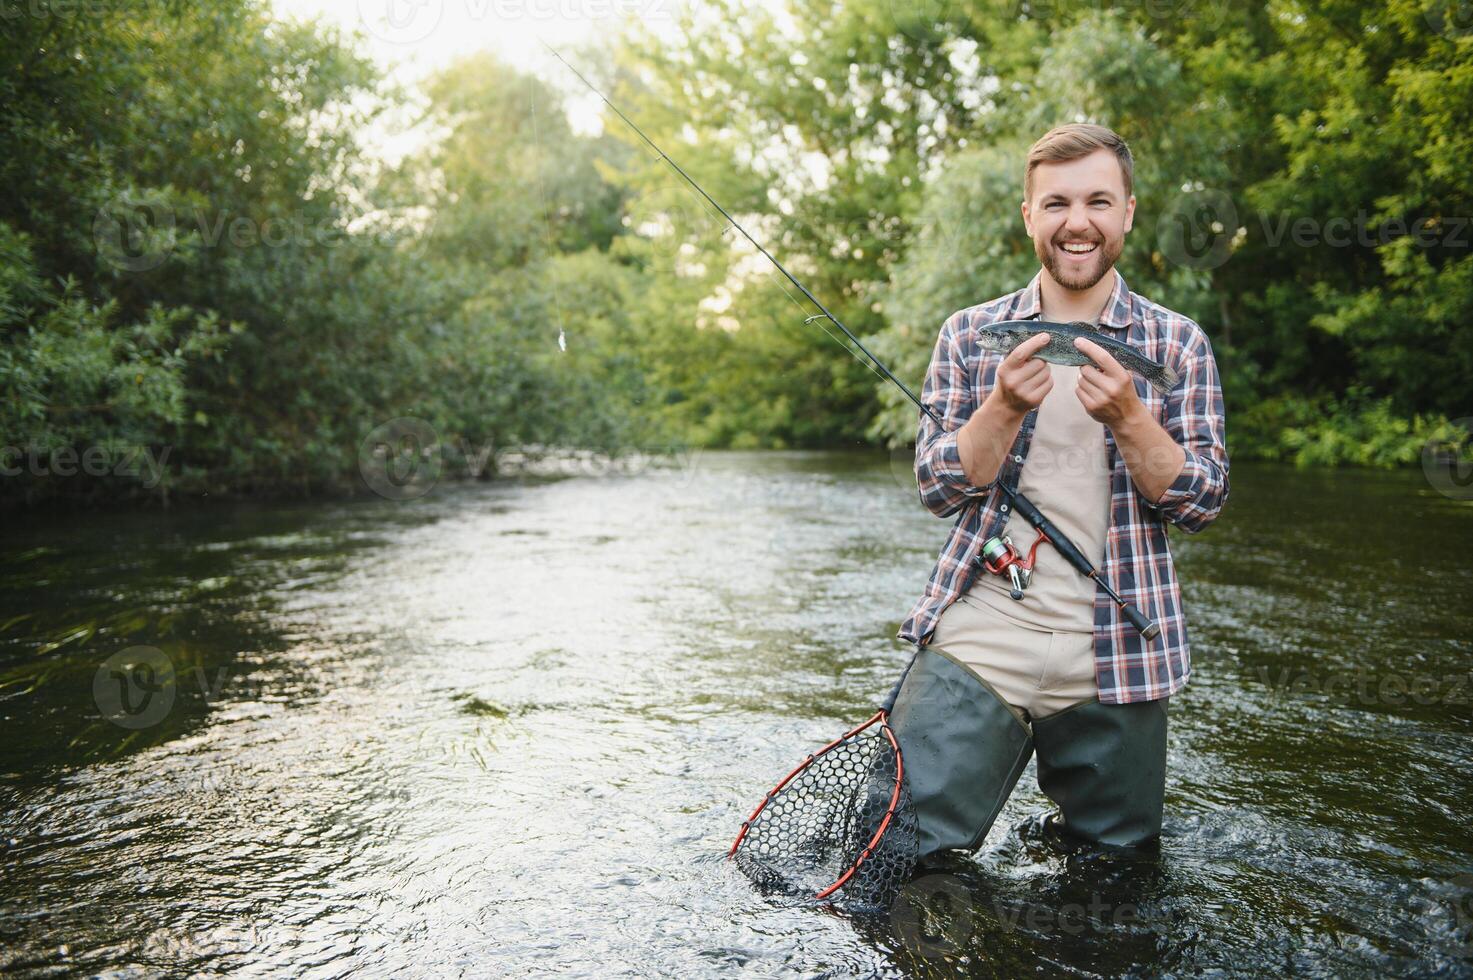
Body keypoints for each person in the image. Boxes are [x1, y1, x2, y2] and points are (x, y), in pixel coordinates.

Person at [889, 123, 1229, 860]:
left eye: (1098, 202)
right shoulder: (970, 334)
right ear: (1029, 216)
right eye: (1057, 204)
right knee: (896, 856)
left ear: (1128, 213)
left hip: (1118, 646)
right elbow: (936, 488)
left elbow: (1201, 502)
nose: (1077, 223)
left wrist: (1132, 419)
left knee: (1115, 880)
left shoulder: (1176, 345)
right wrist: (1003, 408)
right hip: (981, 633)